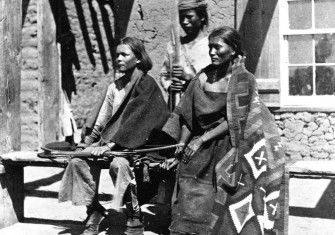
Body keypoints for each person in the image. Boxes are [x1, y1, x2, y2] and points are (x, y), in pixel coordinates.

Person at [162, 26, 285, 235]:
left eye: (217, 47)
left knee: (220, 200)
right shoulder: (202, 77)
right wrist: (182, 145)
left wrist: (201, 140)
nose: (212, 52)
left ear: (233, 49)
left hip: (230, 145)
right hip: (199, 146)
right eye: (210, 47)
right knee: (187, 188)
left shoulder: (244, 80)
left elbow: (236, 120)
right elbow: (186, 115)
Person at [58, 37, 170, 235]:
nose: (118, 58)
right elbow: (102, 122)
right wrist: (86, 144)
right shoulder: (114, 87)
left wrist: (110, 146)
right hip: (111, 143)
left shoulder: (147, 85)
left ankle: (134, 216)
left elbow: (139, 122)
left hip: (138, 145)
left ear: (137, 59)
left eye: (124, 54)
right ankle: (94, 211)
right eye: (117, 54)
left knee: (119, 165)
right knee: (78, 161)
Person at [159, 0, 211, 103]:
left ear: (202, 17)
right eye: (181, 18)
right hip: (178, 104)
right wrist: (170, 86)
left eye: (189, 17)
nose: (184, 22)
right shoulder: (174, 46)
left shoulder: (210, 46)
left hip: (201, 104)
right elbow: (164, 74)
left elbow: (216, 80)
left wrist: (190, 77)